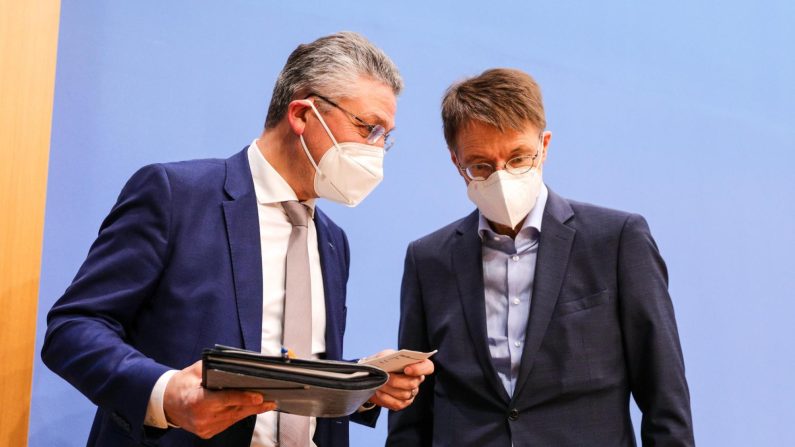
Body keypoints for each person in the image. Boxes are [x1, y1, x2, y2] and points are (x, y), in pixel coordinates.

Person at [41, 31, 432, 447]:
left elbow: (283, 372)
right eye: (368, 128)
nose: (377, 151)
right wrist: (166, 393)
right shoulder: (176, 195)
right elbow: (73, 328)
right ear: (302, 114)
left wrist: (358, 383)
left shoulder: (332, 241)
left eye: (385, 137)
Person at [386, 68, 694, 446]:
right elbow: (410, 417)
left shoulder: (616, 241)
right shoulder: (427, 259)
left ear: (544, 146)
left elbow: (665, 397)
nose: (501, 176)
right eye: (481, 166)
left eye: (518, 159)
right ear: (456, 162)